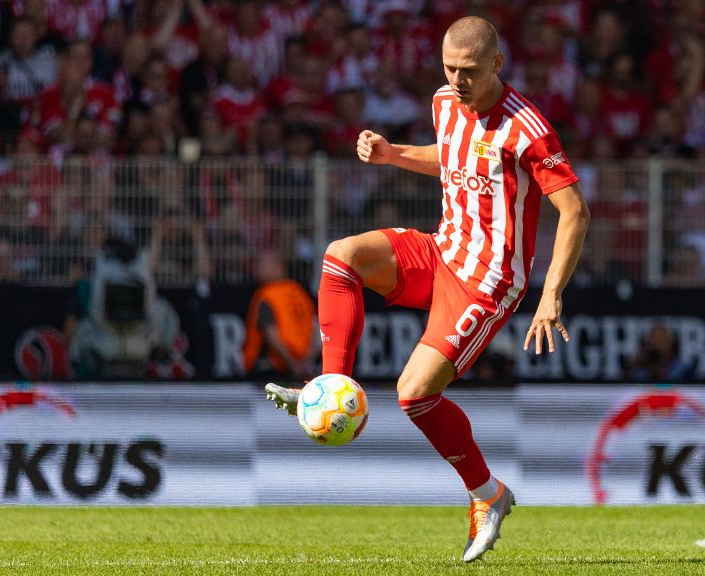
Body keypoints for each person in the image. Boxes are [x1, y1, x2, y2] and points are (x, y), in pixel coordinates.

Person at [265, 16, 589, 563]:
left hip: (487, 280)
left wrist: (551, 292)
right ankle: (332, 385)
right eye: (449, 68)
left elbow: (574, 210)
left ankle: (488, 495)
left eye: (468, 71)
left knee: (414, 393)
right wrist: (393, 154)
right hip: (442, 250)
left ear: (496, 64)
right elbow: (453, 155)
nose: (458, 80)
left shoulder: (527, 130)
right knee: (341, 258)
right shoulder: (444, 101)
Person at [242, 251, 315, 381]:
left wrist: (293, 363)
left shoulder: (268, 294)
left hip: (272, 368)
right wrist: (306, 362)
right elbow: (316, 329)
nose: (257, 269)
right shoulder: (300, 293)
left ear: (278, 266)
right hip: (303, 367)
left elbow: (271, 333)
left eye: (261, 264)